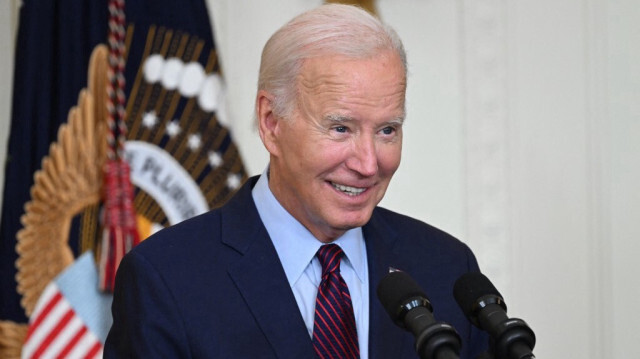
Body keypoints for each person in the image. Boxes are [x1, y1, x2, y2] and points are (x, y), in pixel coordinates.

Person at [105, 4, 488, 358]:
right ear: (271, 123)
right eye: (340, 128)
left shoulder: (447, 269)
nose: (369, 164)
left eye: (387, 130)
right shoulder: (166, 278)